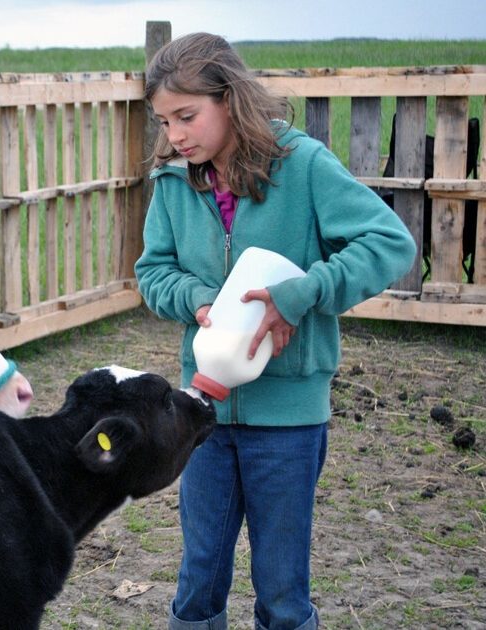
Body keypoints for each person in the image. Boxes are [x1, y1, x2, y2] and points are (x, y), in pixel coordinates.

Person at [134, 33, 416, 630]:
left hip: (288, 420)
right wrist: (196, 298)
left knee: (282, 588)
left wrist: (301, 295)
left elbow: (389, 244)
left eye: (186, 117)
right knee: (198, 577)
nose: (174, 136)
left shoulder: (305, 165)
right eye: (164, 121)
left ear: (231, 100)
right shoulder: (173, 181)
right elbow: (153, 272)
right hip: (201, 411)